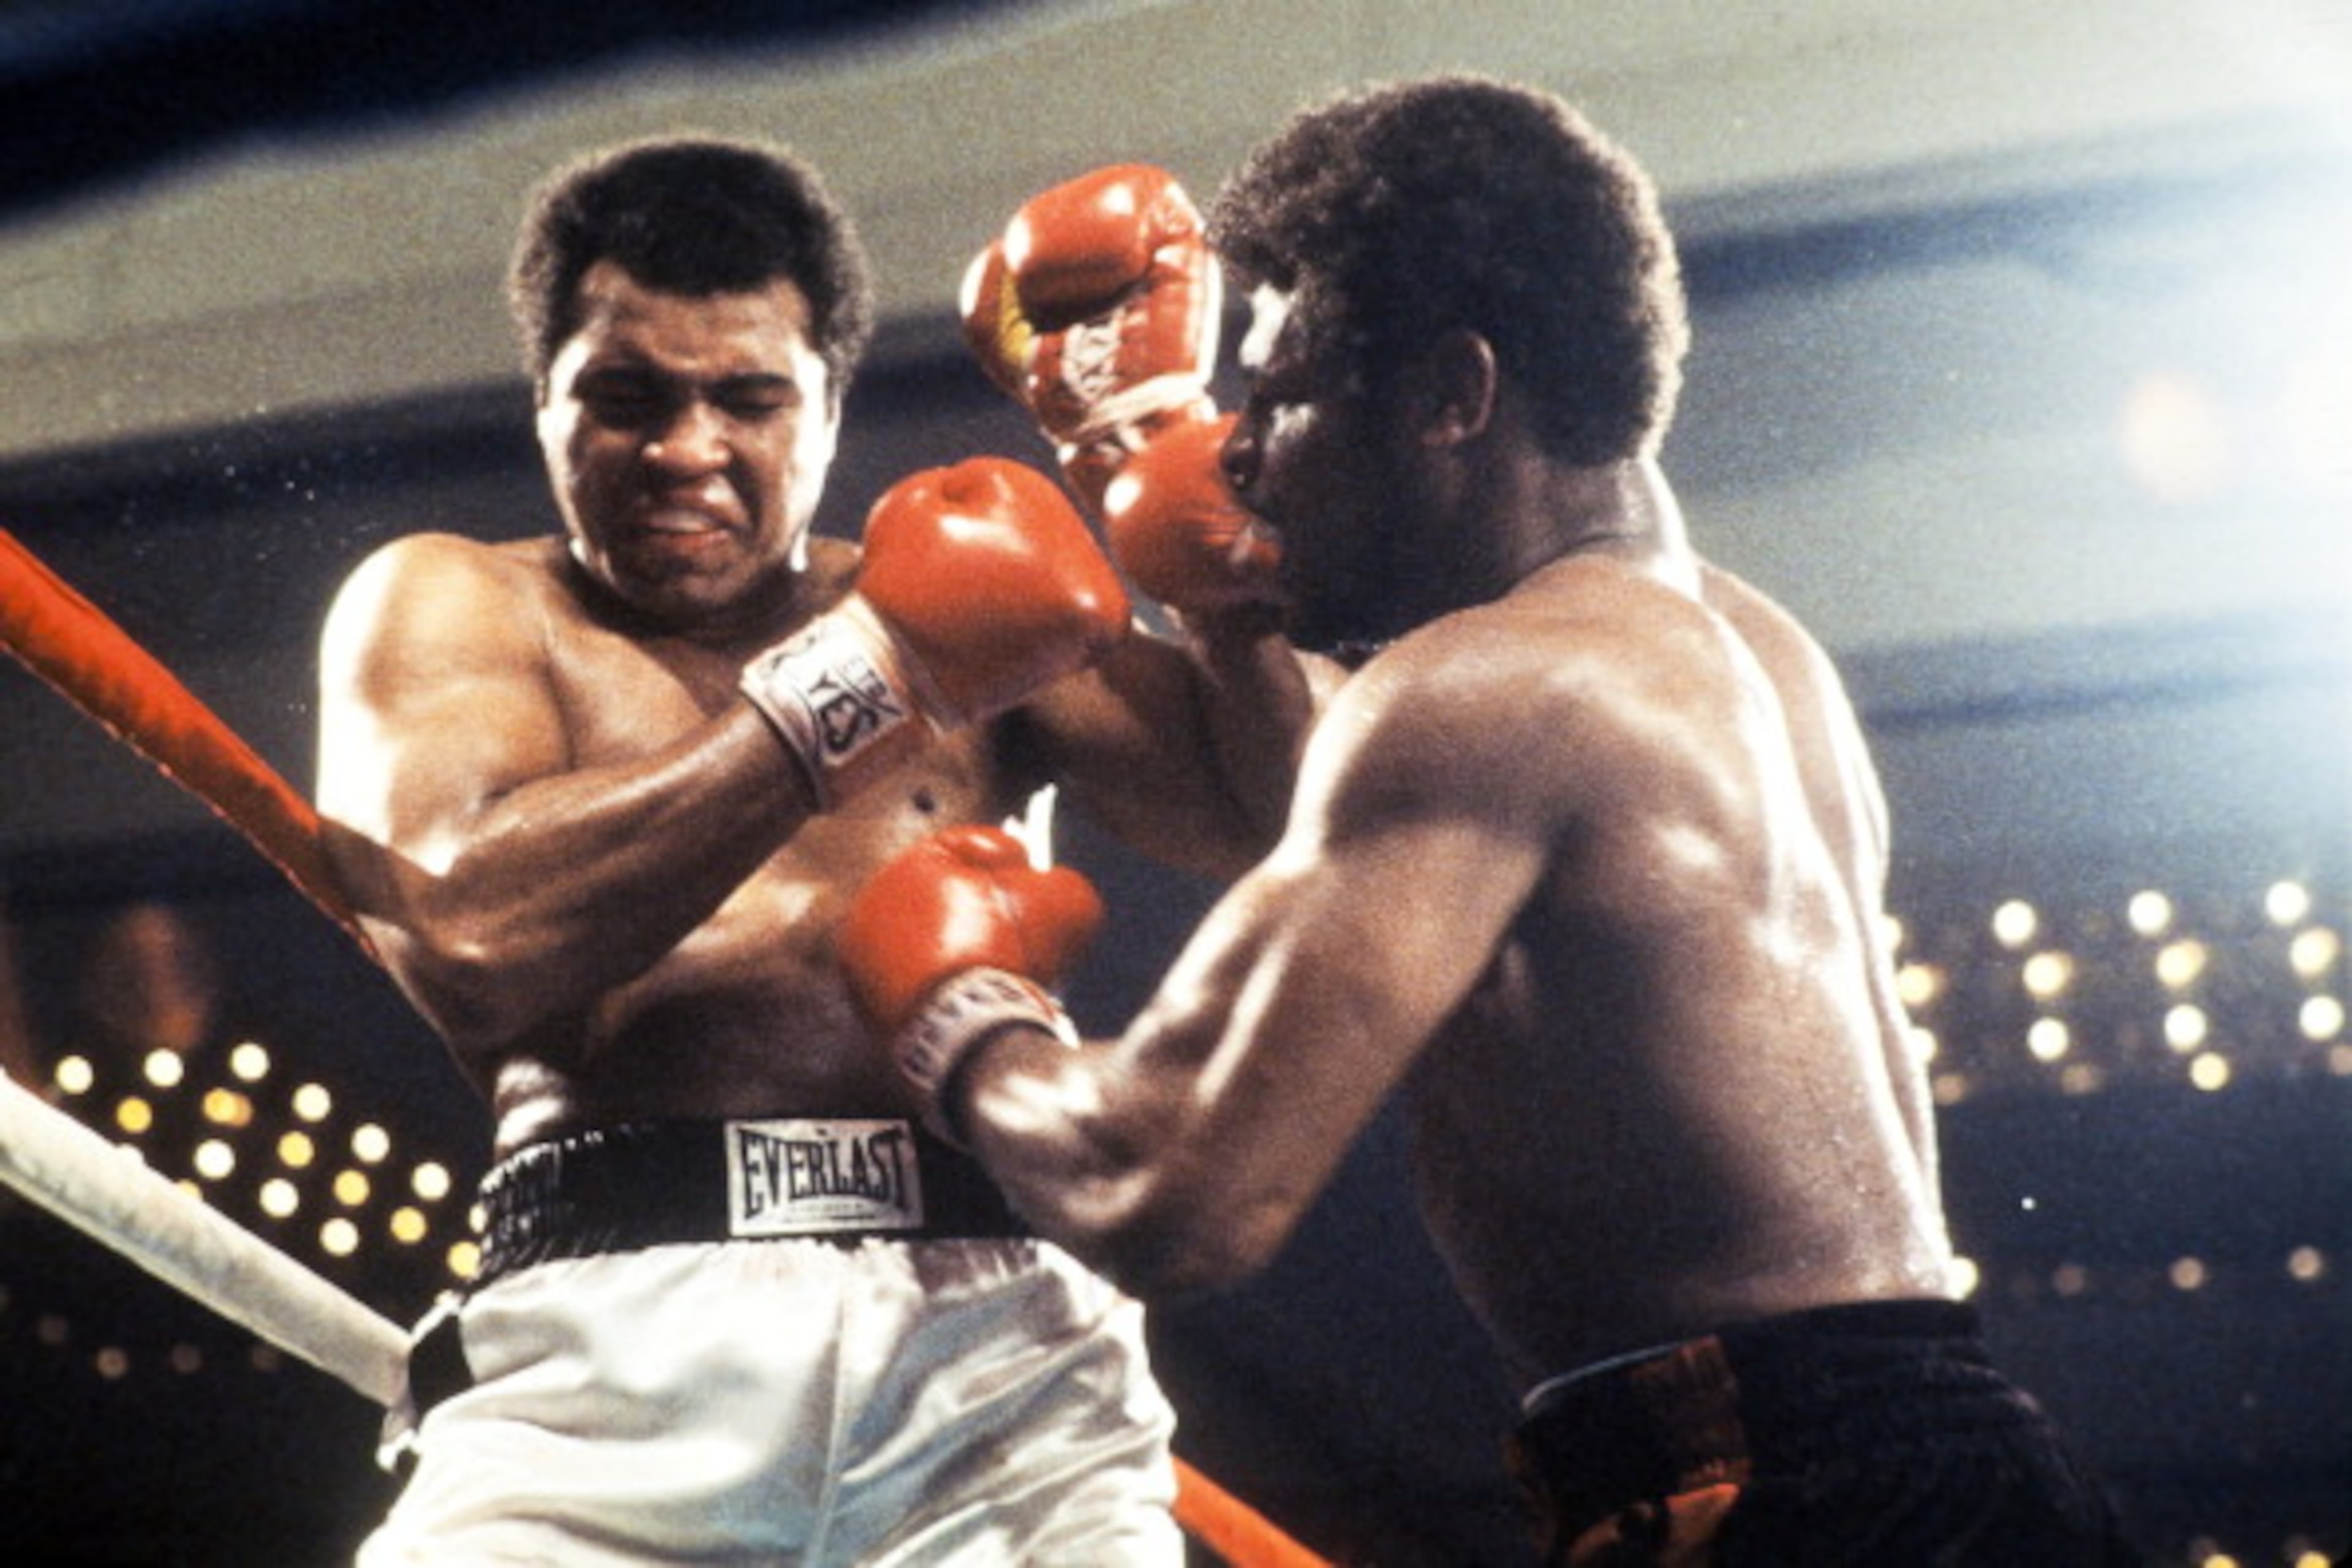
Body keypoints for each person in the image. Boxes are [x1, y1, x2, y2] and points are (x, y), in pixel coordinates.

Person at [839, 77, 2145, 1565]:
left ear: (1454, 396)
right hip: (1933, 1465)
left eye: (1283, 396)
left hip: (1785, 1507)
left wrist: (964, 1021)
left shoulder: (1481, 691)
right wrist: (1148, 476)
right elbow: (1353, 858)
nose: (1242, 451)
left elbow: (1168, 1189)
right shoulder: (1742, 648)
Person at [313, 134, 1307, 1566]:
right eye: (626, 398)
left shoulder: (966, 584)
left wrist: (1158, 469)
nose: (686, 451)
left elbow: (1285, 826)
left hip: (997, 1373)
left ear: (831, 410)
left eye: (748, 399)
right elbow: (472, 939)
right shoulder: (456, 604)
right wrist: (863, 678)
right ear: (545, 407)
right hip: (604, 1369)